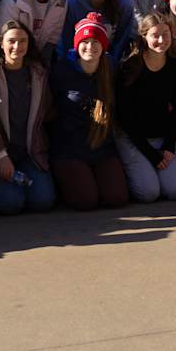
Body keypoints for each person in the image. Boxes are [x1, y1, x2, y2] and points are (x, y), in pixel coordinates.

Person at [48, 15, 130, 210]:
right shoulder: (62, 70)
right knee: (86, 201)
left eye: (95, 42)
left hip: (102, 145)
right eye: (84, 42)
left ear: (103, 46)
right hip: (70, 148)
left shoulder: (109, 67)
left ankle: (94, 180)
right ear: (77, 45)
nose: (90, 47)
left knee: (117, 198)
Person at [0, 23, 58, 214]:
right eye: (11, 41)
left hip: (30, 153)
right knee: (11, 204)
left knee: (43, 202)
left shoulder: (38, 74)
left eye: (22, 41)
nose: (17, 46)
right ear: (1, 44)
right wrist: (1, 156)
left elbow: (47, 112)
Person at [116, 12, 176, 202]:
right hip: (134, 139)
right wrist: (150, 155)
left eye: (165, 34)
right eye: (155, 35)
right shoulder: (130, 67)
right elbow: (125, 117)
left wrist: (169, 145)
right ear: (144, 37)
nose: (161, 40)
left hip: (162, 137)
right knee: (149, 193)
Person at [60, 0, 139, 64]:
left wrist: (110, 65)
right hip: (76, 63)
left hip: (109, 63)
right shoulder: (71, 3)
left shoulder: (124, 4)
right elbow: (65, 41)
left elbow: (122, 40)